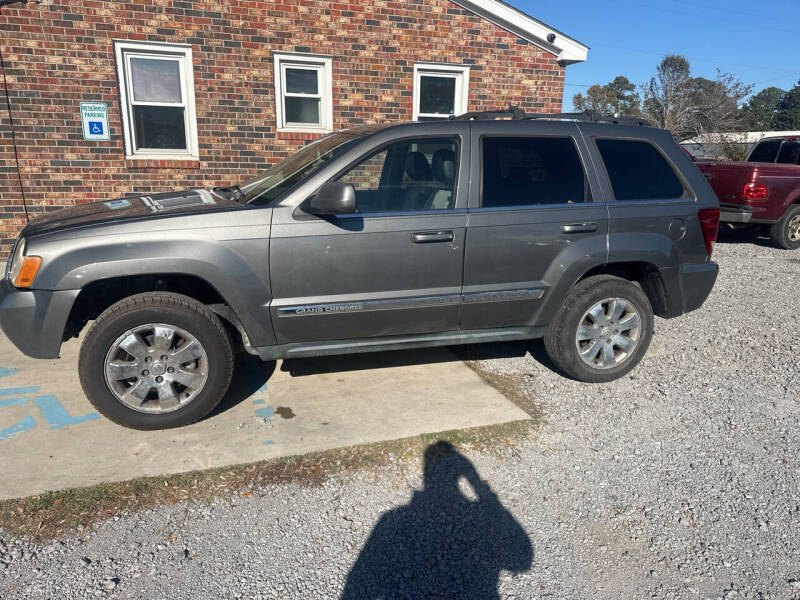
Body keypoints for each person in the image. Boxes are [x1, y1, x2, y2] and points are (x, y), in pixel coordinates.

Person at [341, 441, 533, 599]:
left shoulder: (391, 519)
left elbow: (356, 582)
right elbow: (521, 561)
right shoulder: (393, 519)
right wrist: (484, 493)